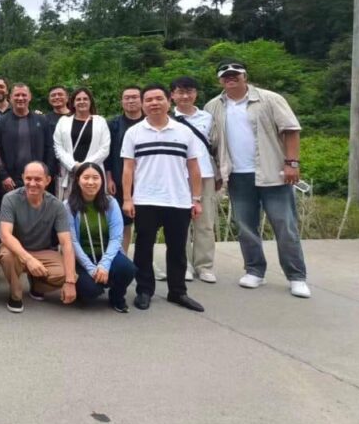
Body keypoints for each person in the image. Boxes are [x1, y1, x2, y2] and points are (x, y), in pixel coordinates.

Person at [205, 60, 310, 298]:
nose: (231, 78)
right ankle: (254, 270)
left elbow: (291, 130)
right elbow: (213, 143)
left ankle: (296, 276)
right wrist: (218, 173)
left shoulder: (270, 99)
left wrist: (292, 163)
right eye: (226, 76)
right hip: (237, 175)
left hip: (273, 173)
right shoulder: (213, 106)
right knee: (245, 227)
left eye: (235, 74)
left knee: (285, 226)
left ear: (245, 76)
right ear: (220, 80)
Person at [121, 84, 204, 312]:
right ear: (143, 104)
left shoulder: (184, 131)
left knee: (177, 248)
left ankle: (177, 292)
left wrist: (196, 199)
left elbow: (194, 167)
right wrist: (127, 198)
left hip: (178, 199)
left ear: (169, 101)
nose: (154, 103)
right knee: (143, 247)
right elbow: (128, 168)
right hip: (145, 199)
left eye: (159, 98)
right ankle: (144, 290)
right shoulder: (134, 132)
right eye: (149, 100)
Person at [0, 162, 77, 313]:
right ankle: (15, 295)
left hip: (42, 251)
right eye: (28, 178)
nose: (32, 183)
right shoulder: (10, 199)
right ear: (23, 178)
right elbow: (6, 235)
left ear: (48, 180)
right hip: (15, 250)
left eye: (38, 179)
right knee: (6, 256)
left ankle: (38, 285)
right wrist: (29, 259)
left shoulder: (57, 206)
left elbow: (66, 243)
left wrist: (70, 282)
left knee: (66, 273)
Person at [65, 163, 136, 313]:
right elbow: (72, 242)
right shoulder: (68, 205)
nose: (91, 182)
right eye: (86, 177)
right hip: (81, 258)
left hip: (106, 254)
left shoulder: (111, 203)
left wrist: (104, 264)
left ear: (102, 180)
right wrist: (91, 269)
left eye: (95, 178)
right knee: (90, 291)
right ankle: (90, 288)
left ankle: (117, 297)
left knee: (127, 269)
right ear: (78, 180)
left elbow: (116, 238)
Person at [171, 76, 220, 283]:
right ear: (172, 95)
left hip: (205, 175)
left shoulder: (207, 118)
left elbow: (216, 146)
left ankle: (204, 266)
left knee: (205, 222)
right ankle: (184, 265)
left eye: (189, 91)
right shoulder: (168, 118)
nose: (185, 96)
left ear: (196, 94)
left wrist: (220, 174)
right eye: (180, 92)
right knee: (179, 223)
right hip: (177, 176)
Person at [0, 83, 55, 206]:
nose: (20, 98)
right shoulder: (1, 122)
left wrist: (47, 175)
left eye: (24, 95)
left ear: (30, 97)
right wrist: (3, 176)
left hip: (37, 179)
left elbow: (50, 149)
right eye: (17, 95)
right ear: (10, 98)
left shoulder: (42, 121)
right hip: (10, 181)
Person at [104, 86, 144, 254]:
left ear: (141, 100)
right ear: (121, 101)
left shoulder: (149, 122)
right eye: (127, 97)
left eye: (134, 97)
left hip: (146, 181)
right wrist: (109, 178)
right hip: (120, 180)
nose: (130, 100)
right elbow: (108, 153)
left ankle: (143, 259)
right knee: (123, 222)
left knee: (145, 224)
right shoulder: (113, 124)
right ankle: (123, 257)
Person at [53, 87, 110, 197]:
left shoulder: (100, 121)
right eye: (78, 99)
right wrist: (73, 165)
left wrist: (85, 167)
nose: (82, 101)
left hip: (93, 173)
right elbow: (58, 147)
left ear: (90, 102)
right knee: (69, 204)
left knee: (93, 203)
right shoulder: (63, 121)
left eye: (85, 99)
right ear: (73, 103)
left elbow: (105, 149)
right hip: (70, 172)